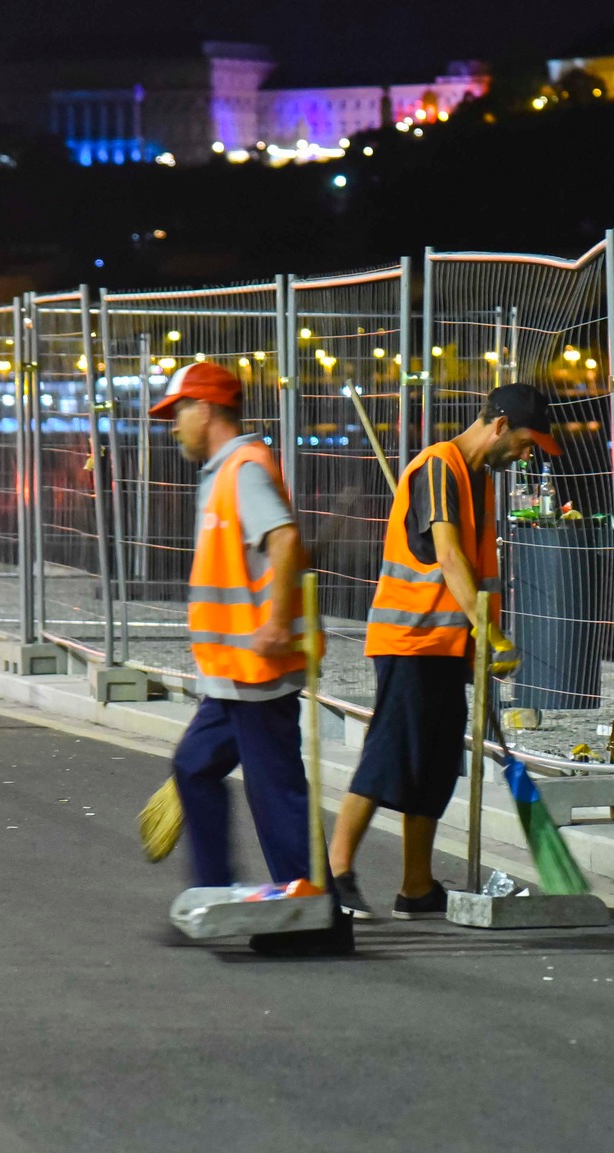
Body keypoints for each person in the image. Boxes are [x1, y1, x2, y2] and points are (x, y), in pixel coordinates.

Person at [328, 384, 562, 920]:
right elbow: (451, 558)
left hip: (448, 643)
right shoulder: (440, 467)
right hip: (412, 639)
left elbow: (471, 570)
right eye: (528, 444)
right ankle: (334, 874)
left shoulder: (476, 479)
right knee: (390, 758)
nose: (528, 457)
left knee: (433, 767)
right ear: (500, 426)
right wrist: (494, 633)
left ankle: (416, 887)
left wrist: (479, 637)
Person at [155, 361, 348, 953]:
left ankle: (317, 921)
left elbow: (286, 540)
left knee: (276, 793)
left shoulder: (243, 470)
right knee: (194, 766)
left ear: (205, 409)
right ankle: (218, 896)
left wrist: (271, 623)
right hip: (230, 675)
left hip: (258, 671)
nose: (173, 428)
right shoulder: (221, 473)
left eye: (178, 413)